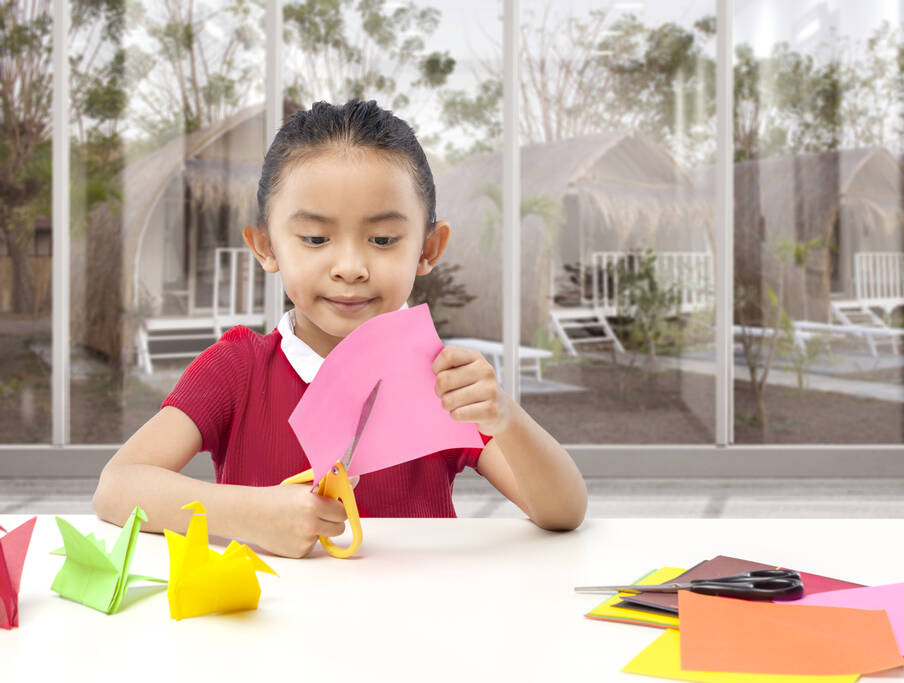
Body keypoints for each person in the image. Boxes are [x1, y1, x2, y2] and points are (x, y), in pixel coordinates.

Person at [92, 99, 587, 558]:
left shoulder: (442, 382)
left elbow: (564, 512)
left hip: (419, 627)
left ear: (428, 249)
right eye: (314, 237)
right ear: (266, 247)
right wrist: (249, 515)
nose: (350, 266)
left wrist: (504, 416)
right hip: (263, 632)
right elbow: (118, 487)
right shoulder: (236, 369)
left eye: (382, 238)